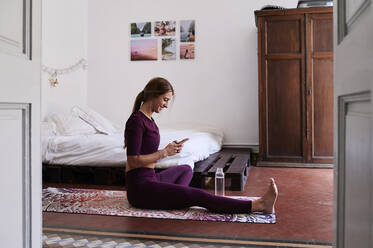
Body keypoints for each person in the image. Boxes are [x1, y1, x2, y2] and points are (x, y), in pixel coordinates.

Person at [124, 77, 278, 213]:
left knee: (185, 169)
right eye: (165, 99)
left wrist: (170, 150)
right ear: (153, 95)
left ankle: (176, 198)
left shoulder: (149, 120)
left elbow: (145, 152)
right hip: (140, 189)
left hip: (151, 179)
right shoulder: (136, 121)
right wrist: (164, 153)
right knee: (199, 195)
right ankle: (258, 205)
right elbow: (133, 160)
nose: (166, 105)